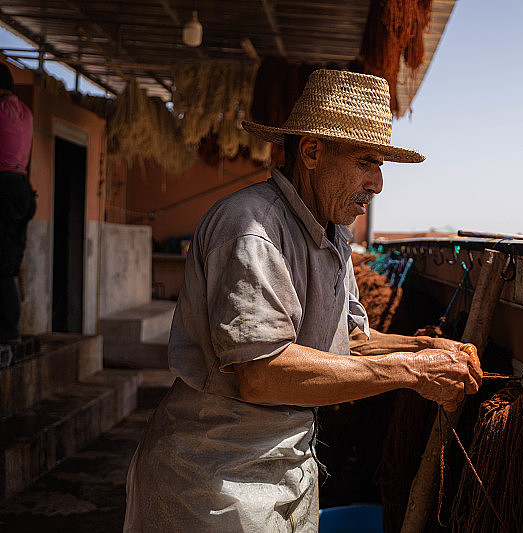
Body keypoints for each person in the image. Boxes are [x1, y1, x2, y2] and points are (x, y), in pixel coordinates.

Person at [124, 69, 482, 532]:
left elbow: (343, 342)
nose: (377, 183)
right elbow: (262, 373)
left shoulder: (332, 234)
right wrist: (410, 373)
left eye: (380, 166)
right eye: (365, 161)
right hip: (216, 481)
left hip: (287, 468)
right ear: (312, 151)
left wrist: (423, 349)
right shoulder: (251, 230)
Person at [0, 62, 35, 348]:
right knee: (9, 263)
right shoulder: (25, 112)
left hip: (5, 189)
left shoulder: (1, 111)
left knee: (3, 266)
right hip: (22, 188)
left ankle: (9, 332)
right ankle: (10, 331)